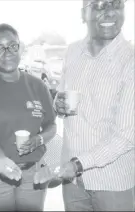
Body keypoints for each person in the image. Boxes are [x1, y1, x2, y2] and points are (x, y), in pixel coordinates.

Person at [53, 0, 134, 211]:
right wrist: (57, 104)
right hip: (72, 183)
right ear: (83, 14)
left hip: (113, 181)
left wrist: (78, 164)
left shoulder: (131, 60)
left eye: (116, 4)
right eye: (99, 5)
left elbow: (126, 135)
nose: (109, 12)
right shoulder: (72, 52)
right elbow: (62, 96)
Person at [0, 23, 57, 211]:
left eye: (12, 46)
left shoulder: (38, 85)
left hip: (33, 174)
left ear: (20, 48)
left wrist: (39, 139)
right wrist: (0, 160)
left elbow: (51, 125)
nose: (6, 52)